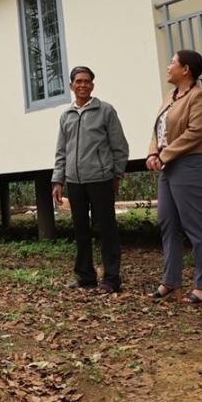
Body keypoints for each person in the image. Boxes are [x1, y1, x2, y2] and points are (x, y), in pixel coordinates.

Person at [145, 50, 202, 304]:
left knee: (196, 227)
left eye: (172, 62)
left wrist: (165, 155)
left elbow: (196, 132)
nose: (168, 67)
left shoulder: (199, 97)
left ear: (185, 69)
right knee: (168, 223)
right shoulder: (170, 97)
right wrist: (153, 152)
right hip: (169, 166)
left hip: (192, 164)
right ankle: (170, 280)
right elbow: (158, 128)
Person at [52, 66, 130, 294]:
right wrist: (58, 180)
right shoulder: (66, 116)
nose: (83, 85)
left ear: (92, 86)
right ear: (71, 86)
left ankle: (111, 279)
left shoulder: (105, 111)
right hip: (74, 181)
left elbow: (120, 146)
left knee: (107, 229)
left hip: (100, 179)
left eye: (87, 81)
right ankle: (86, 277)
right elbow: (61, 152)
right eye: (79, 81)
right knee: (80, 230)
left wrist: (116, 174)